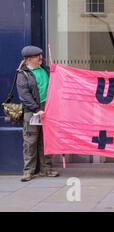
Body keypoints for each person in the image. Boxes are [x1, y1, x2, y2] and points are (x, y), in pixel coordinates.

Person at [17, 46, 59, 182]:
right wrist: (36, 109)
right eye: (37, 56)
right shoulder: (22, 74)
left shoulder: (45, 69)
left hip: (48, 108)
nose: (41, 58)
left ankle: (46, 169)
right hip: (33, 111)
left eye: (40, 55)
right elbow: (24, 96)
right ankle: (28, 171)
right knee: (30, 141)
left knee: (46, 140)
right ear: (29, 59)